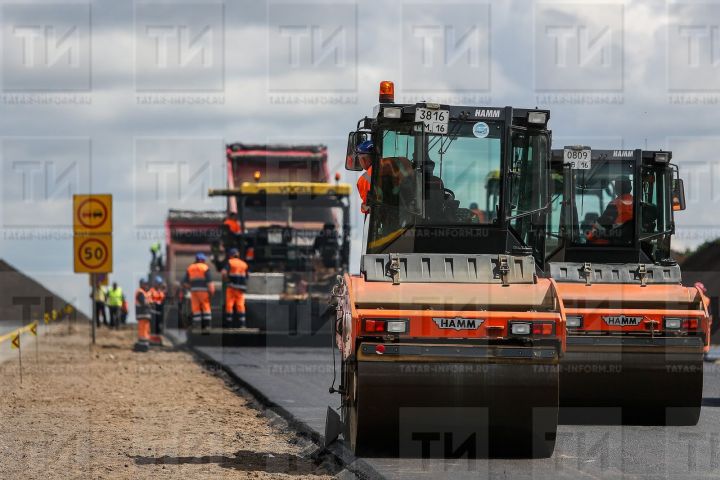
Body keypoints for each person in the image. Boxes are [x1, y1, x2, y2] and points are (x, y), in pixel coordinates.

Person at [587, 177, 634, 244]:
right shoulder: (637, 204)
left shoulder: (615, 205)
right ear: (630, 187)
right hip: (629, 243)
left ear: (617, 188)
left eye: (616, 185)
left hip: (613, 246)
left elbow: (601, 225)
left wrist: (589, 238)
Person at [183, 253, 214, 331]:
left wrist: (192, 287)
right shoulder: (205, 268)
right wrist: (211, 292)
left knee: (195, 308)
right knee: (206, 307)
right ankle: (207, 326)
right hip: (203, 291)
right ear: (203, 260)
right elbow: (209, 282)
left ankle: (197, 326)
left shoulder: (190, 268)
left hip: (194, 291)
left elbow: (185, 283)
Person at [221, 248, 248, 328]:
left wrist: (227, 280)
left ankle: (229, 324)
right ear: (238, 255)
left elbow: (223, 273)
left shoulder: (230, 262)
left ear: (231, 255)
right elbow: (247, 276)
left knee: (229, 305)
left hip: (232, 287)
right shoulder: (244, 264)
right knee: (240, 305)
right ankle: (242, 324)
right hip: (241, 288)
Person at [355, 140, 374, 213]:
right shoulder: (394, 164)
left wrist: (363, 207)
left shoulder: (365, 178)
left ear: (363, 159)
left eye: (359, 158)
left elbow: (368, 206)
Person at [134, 280, 152, 351]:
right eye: (145, 284)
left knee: (146, 329)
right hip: (142, 314)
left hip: (145, 315)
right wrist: (149, 304)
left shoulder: (144, 292)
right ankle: (143, 344)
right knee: (143, 330)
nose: (146, 286)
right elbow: (143, 303)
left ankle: (144, 343)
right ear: (141, 284)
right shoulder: (140, 292)